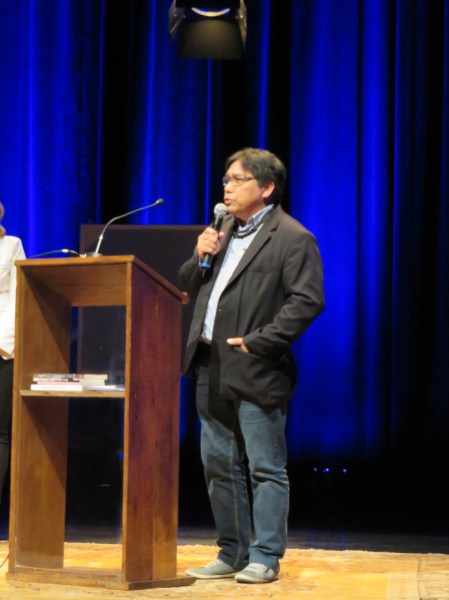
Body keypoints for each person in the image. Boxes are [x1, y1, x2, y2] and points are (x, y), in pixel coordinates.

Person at [178, 148, 325, 584]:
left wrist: (259, 341)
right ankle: (233, 551)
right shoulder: (223, 229)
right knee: (218, 464)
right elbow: (186, 286)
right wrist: (199, 254)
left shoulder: (292, 237)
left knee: (264, 467)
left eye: (238, 179)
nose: (227, 187)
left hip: (257, 365)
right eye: (226, 179)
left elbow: (308, 301)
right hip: (210, 362)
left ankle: (265, 556)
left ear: (266, 187)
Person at [0, 202, 26, 502]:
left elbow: (20, 297)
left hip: (2, 348)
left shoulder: (11, 245)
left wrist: (3, 344)